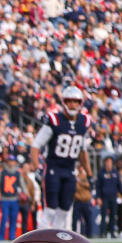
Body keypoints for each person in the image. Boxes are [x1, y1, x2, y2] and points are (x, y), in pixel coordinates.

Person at [30, 86, 93, 230]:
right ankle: (41, 239)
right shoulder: (55, 120)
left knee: (64, 210)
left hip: (70, 170)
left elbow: (83, 151)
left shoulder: (83, 122)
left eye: (75, 101)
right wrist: (35, 166)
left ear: (80, 103)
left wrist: (89, 173)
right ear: (64, 102)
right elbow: (36, 145)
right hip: (53, 168)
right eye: (69, 101)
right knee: (50, 209)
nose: (72, 104)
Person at [95, 157, 122, 238]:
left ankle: (112, 232)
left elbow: (119, 184)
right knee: (103, 215)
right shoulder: (101, 173)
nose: (108, 164)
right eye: (107, 162)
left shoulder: (115, 172)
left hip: (113, 197)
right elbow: (98, 186)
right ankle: (102, 233)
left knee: (113, 215)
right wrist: (98, 197)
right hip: (104, 197)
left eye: (110, 162)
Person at [0, 155, 22, 241]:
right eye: (10, 161)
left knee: (13, 218)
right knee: (4, 218)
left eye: (12, 161)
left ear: (15, 162)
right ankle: (1, 236)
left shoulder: (17, 173)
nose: (11, 162)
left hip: (15, 199)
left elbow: (22, 185)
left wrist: (26, 194)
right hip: (4, 198)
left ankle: (12, 236)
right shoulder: (3, 172)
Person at [18, 157, 38, 234]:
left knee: (25, 220)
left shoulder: (30, 181)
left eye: (27, 168)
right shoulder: (18, 177)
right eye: (25, 168)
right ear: (22, 168)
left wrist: (33, 204)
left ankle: (24, 235)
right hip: (18, 201)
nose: (26, 169)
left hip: (26, 203)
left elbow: (33, 193)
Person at [71, 172, 94, 238]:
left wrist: (80, 182)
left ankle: (89, 235)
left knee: (88, 220)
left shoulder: (87, 176)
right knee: (75, 220)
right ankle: (73, 236)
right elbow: (74, 187)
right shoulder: (75, 176)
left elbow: (90, 185)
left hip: (86, 201)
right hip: (77, 201)